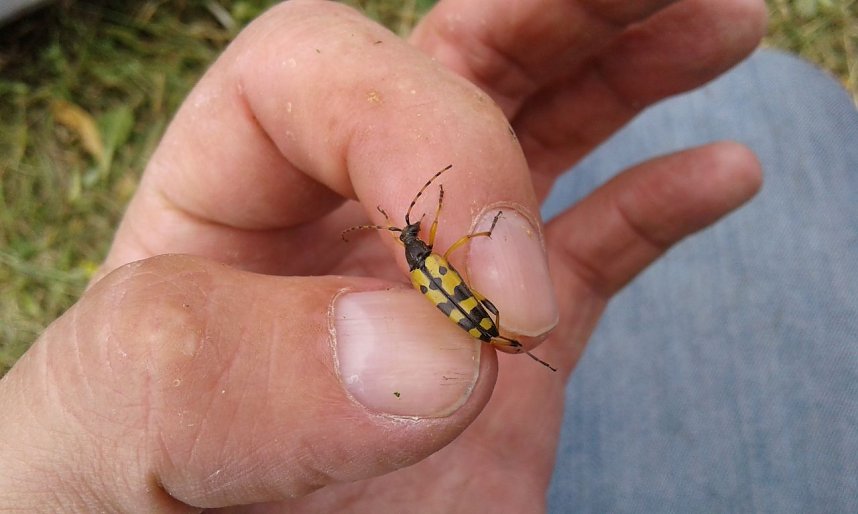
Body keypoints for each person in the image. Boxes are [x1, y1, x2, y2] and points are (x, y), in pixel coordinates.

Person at [2, 0, 855, 511]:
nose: (412, 230)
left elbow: (435, 255)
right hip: (462, 325)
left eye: (410, 228)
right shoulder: (422, 263)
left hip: (468, 324)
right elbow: (435, 266)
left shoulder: (422, 257)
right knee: (777, 101)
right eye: (412, 229)